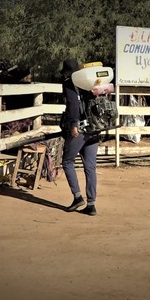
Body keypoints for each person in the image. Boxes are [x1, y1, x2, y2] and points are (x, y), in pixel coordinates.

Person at [60, 58, 99, 216]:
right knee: (90, 167)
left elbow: (73, 104)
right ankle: (91, 205)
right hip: (95, 128)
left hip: (80, 129)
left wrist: (74, 124)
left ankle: (77, 198)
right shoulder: (89, 81)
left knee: (67, 161)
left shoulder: (70, 83)